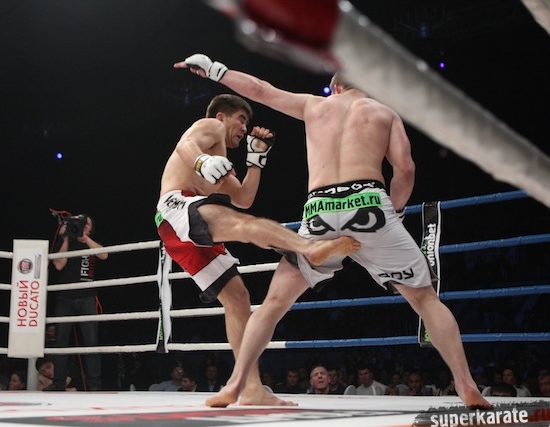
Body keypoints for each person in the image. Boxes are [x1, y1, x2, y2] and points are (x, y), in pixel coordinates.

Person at [175, 53, 491, 409]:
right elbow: (405, 170)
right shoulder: (385, 113)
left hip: (320, 210)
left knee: (274, 304)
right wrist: (396, 212)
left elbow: (260, 90)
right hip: (370, 204)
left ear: (335, 87)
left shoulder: (316, 106)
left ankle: (235, 385)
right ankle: (466, 386)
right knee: (425, 299)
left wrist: (216, 70)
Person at [155, 93, 359, 406]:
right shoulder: (210, 126)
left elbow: (243, 197)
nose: (244, 127)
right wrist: (202, 161)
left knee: (238, 298)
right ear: (222, 116)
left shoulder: (220, 161)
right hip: (177, 204)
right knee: (243, 225)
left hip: (179, 227)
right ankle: (308, 247)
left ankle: (251, 388)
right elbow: (186, 145)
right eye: (241, 119)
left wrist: (256, 158)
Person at [44, 214, 107, 391]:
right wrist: (65, 238)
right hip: (64, 298)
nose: (83, 226)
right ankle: (58, 383)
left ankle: (94, 385)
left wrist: (85, 239)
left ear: (91, 228)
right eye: (80, 224)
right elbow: (58, 265)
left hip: (87, 297)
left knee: (91, 342)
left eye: (87, 224)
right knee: (60, 342)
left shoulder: (91, 243)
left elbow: (104, 255)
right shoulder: (64, 243)